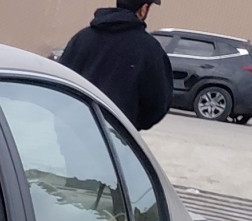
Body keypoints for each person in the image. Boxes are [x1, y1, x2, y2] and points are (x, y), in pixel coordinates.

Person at [58, 0, 176, 131]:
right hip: (115, 137)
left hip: (72, 133)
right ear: (143, 10)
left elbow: (61, 82)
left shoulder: (82, 38)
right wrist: (129, 125)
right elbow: (158, 105)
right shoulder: (150, 49)